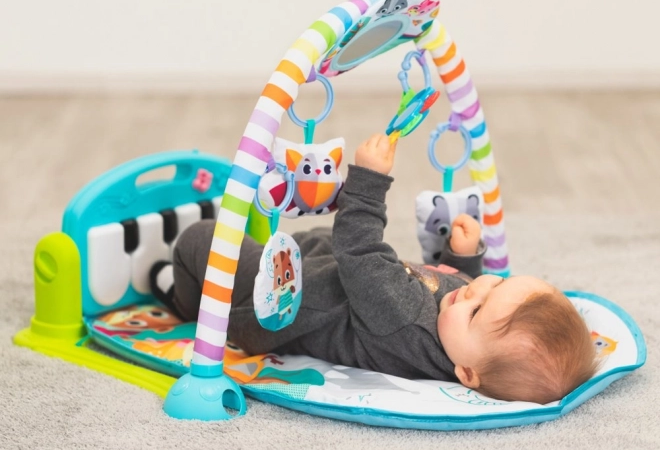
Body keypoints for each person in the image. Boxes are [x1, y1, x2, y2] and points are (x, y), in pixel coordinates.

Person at [150, 134, 598, 404]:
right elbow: (456, 286)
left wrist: (368, 181)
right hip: (324, 271)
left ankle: (184, 301)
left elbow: (362, 252)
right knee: (326, 237)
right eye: (495, 283)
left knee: (202, 240)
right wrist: (463, 258)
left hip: (273, 304)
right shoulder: (459, 331)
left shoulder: (405, 323)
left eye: (479, 311)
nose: (475, 290)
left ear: (466, 374)